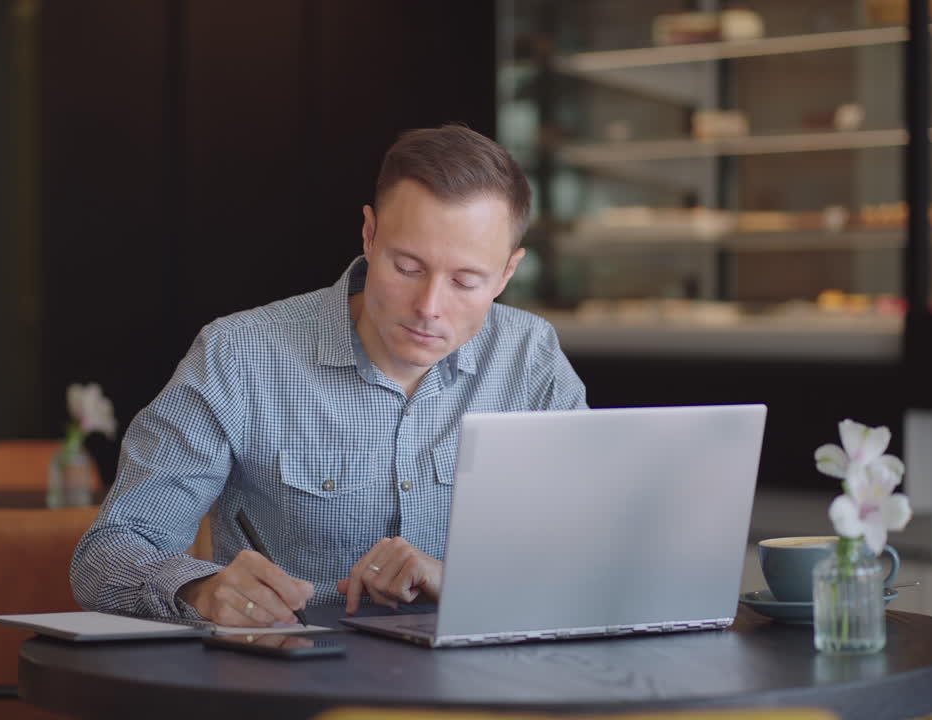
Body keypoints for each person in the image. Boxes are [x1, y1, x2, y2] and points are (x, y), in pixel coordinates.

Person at [71, 124, 587, 628]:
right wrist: (199, 589)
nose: (430, 306)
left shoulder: (529, 357)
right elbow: (106, 556)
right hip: (293, 686)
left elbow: (594, 550)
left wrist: (460, 581)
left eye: (466, 281)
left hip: (483, 695)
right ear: (369, 234)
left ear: (507, 274)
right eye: (407, 267)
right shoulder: (241, 355)